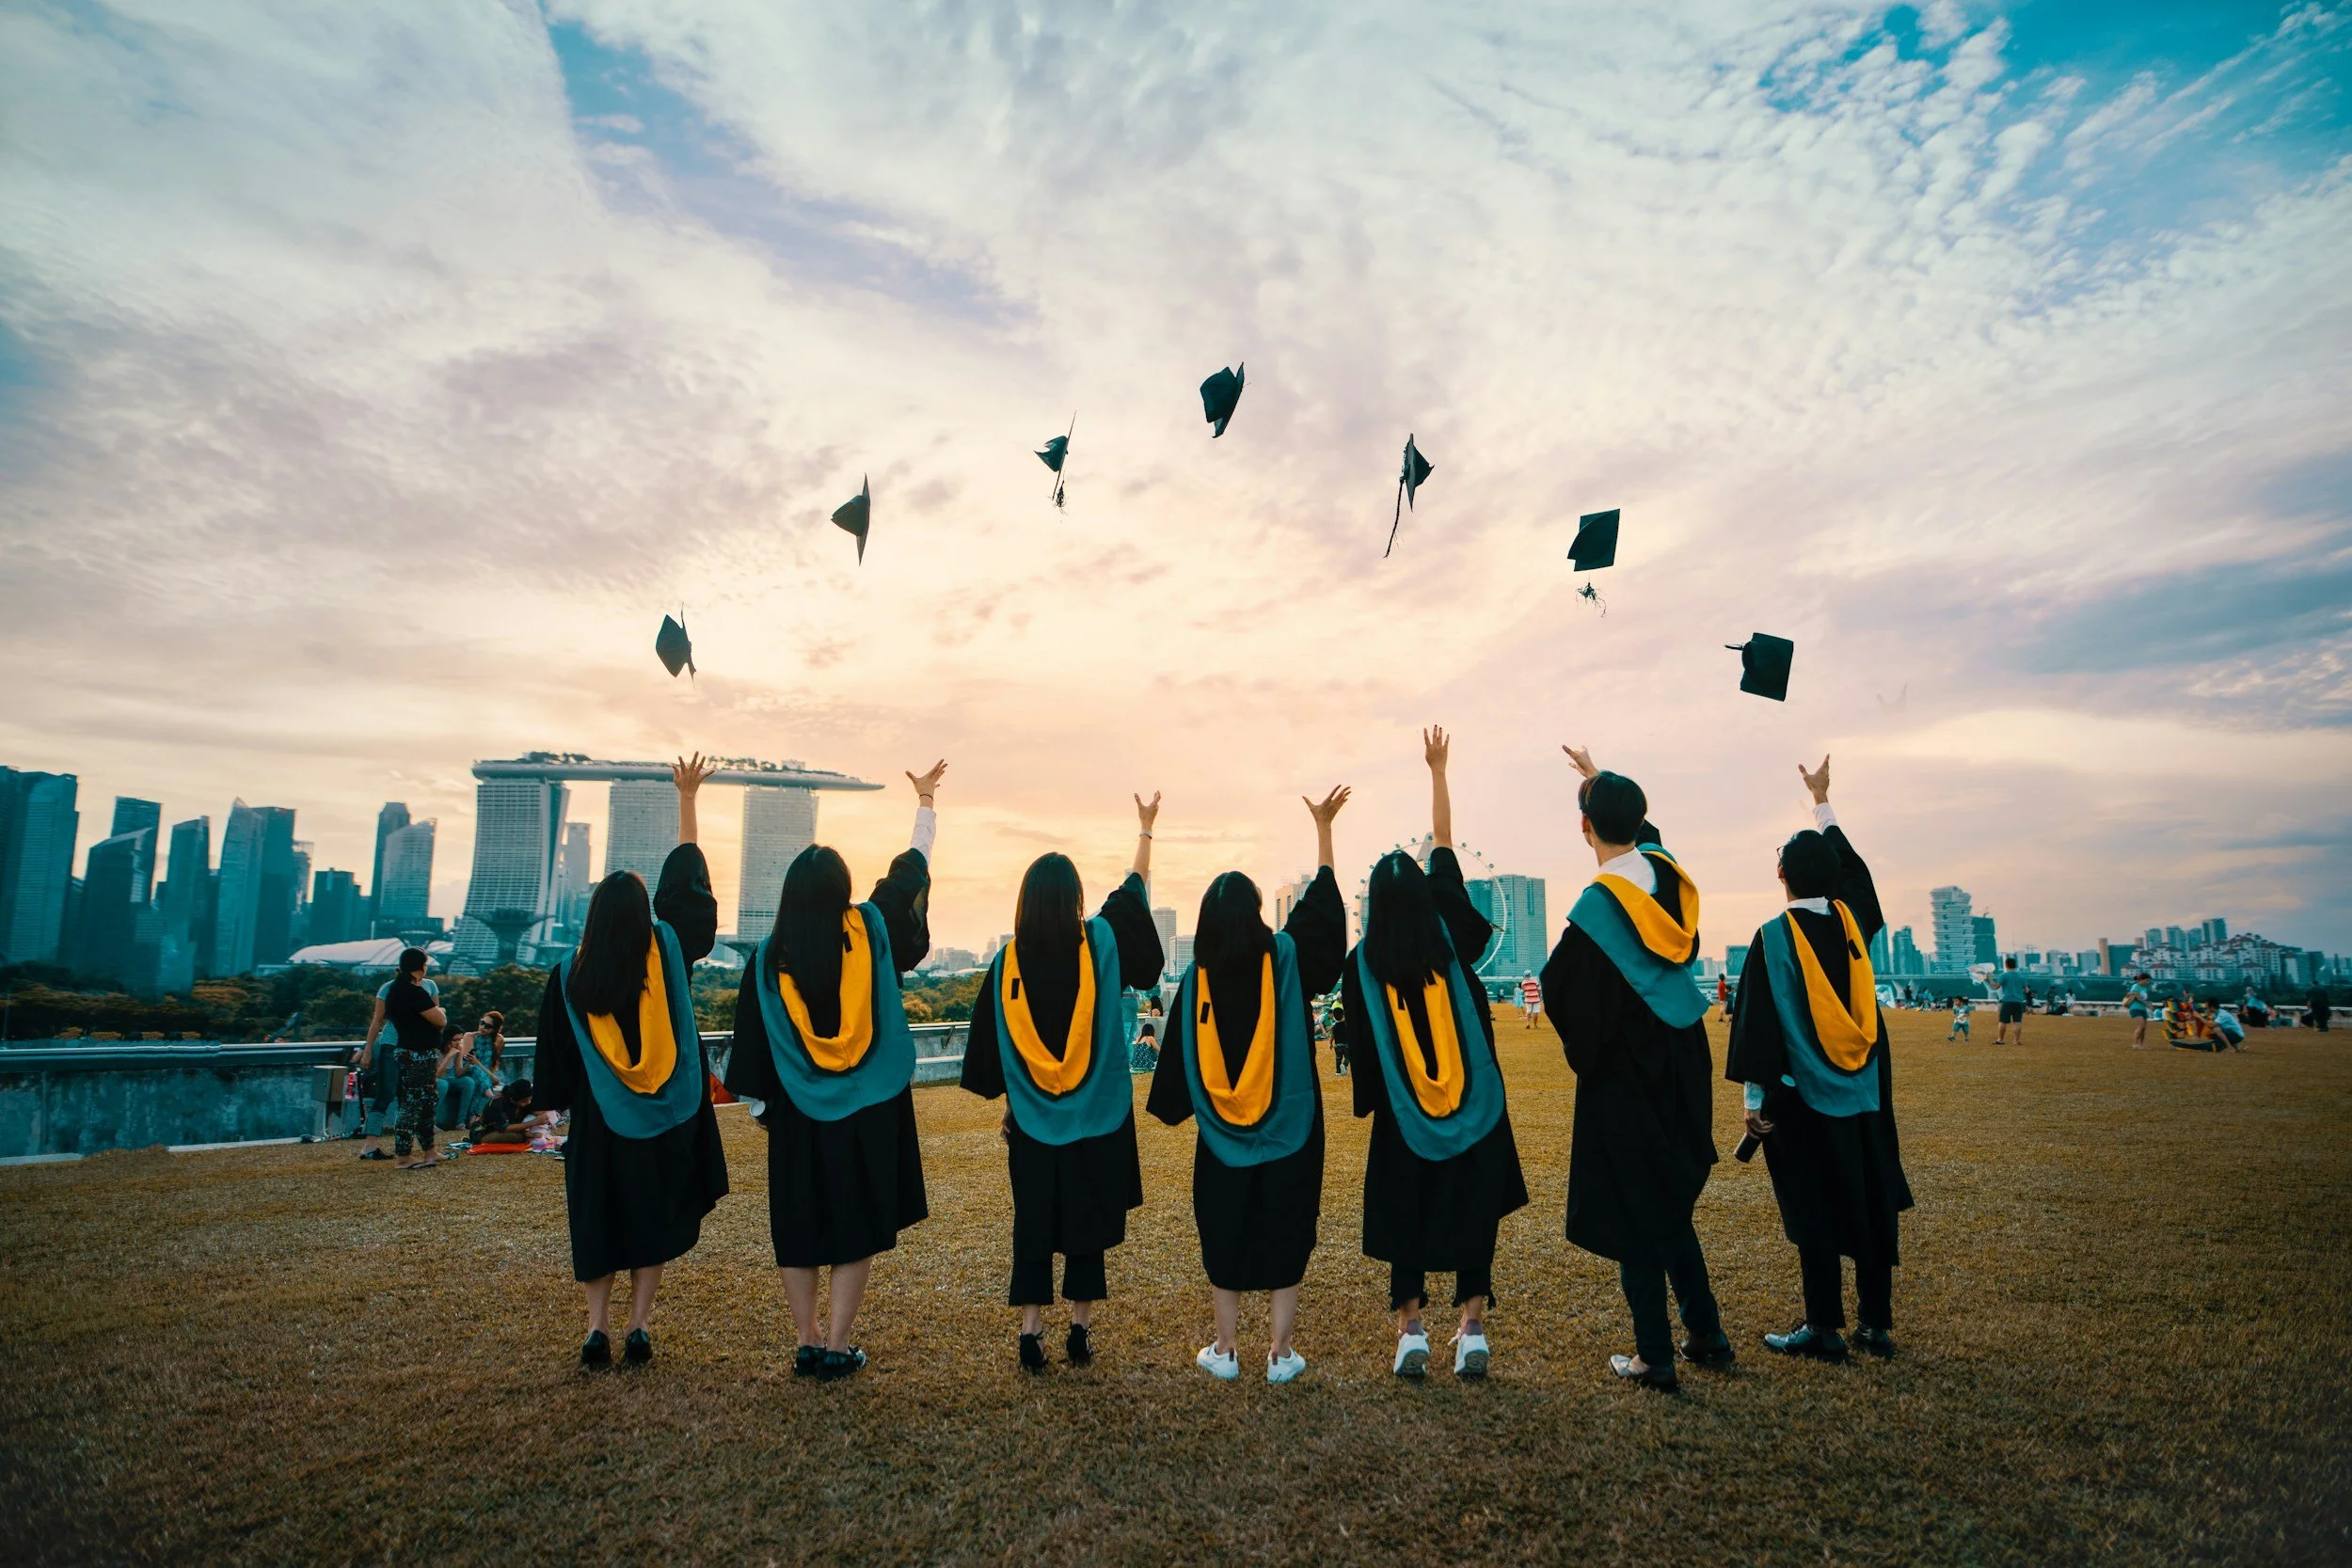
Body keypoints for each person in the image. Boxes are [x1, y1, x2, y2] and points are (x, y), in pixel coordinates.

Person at [724, 760, 946, 1382]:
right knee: (856, 1223)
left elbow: (752, 1045)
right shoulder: (871, 926)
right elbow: (909, 873)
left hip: (797, 1110)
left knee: (800, 1222)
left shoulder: (769, 960)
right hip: (868, 1107)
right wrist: (926, 803)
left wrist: (767, 1109)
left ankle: (806, 1337)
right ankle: (840, 1342)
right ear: (844, 888)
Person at [1335, 729, 1530, 1381]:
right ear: (1423, 896)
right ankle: (1472, 1328)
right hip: (1475, 1104)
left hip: (1404, 1115)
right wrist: (1438, 771)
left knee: (1406, 1215)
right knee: (1473, 1209)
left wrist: (1374, 1097)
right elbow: (1444, 844)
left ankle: (1410, 1328)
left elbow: (1359, 1046)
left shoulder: (1361, 966)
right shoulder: (1447, 930)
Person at [1147, 785, 1349, 1385]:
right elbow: (1325, 922)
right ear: (1259, 915)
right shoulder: (1286, 955)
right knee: (1287, 1229)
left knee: (1225, 1230)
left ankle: (1226, 1348)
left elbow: (1176, 1076)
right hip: (1292, 1129)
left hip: (1222, 1142)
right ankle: (1281, 1355)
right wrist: (1324, 834)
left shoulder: (1196, 982)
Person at [1541, 745, 1727, 1391]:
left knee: (1633, 1206)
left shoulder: (1596, 911)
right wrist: (1598, 781)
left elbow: (1561, 987)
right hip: (1685, 1050)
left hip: (1628, 1071)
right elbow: (1644, 834)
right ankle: (1705, 1330)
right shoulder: (1670, 877)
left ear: (1584, 827)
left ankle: (1654, 1355)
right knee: (1669, 1199)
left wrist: (1590, 1058)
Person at [534, 753, 729, 1369]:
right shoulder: (667, 948)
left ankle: (597, 1330)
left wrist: (560, 1111)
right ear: (645, 916)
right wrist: (689, 799)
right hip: (665, 1117)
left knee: (601, 1222)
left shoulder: (568, 974)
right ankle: (639, 1327)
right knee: (653, 1218)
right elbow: (687, 888)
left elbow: (556, 1068)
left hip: (600, 1123)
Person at [960, 792, 1166, 1373]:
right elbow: (1133, 895)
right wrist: (1145, 831)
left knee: (1033, 1221)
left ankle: (1030, 1333)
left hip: (1032, 1123)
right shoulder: (1100, 941)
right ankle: (1078, 1331)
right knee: (1085, 1222)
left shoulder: (1007, 965)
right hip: (1096, 1120)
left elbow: (990, 1050)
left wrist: (1014, 1100)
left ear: (1025, 901)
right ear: (1076, 899)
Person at [1726, 755, 1914, 1361]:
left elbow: (1757, 1025)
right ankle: (1877, 1325)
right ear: (1834, 879)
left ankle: (1824, 1328)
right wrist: (1823, 802)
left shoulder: (1773, 936)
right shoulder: (1854, 923)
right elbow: (1858, 879)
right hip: (1865, 1093)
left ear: (1779, 873)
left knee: (1815, 1204)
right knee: (1870, 1197)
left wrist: (1753, 1101)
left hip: (1802, 1097)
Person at [358, 947, 450, 1169]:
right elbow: (440, 1020)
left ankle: (430, 1151)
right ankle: (401, 1155)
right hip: (413, 1052)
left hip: (412, 1050)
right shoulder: (414, 992)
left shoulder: (397, 991)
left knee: (425, 1101)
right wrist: (368, 1050)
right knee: (408, 1102)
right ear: (421, 966)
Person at [1993, 958, 2027, 1046]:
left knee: (2003, 1021)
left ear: (2006, 964)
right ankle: (2016, 1041)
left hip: (2007, 1001)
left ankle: (2000, 1039)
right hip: (2018, 1002)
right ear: (2015, 965)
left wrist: (1989, 978)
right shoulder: (2021, 976)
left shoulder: (2004, 975)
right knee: (2017, 1022)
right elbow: (2027, 990)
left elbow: (1996, 986)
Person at [2125, 973, 2153, 1048]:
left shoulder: (2144, 988)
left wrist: (2148, 1003)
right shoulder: (2135, 986)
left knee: (2143, 1028)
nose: (2148, 982)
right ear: (2141, 979)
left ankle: (2141, 1045)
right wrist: (2148, 1004)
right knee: (2141, 1026)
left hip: (2143, 1009)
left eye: (2148, 981)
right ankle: (2135, 1044)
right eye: (2147, 981)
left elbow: (2144, 999)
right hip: (2135, 1008)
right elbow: (2137, 998)